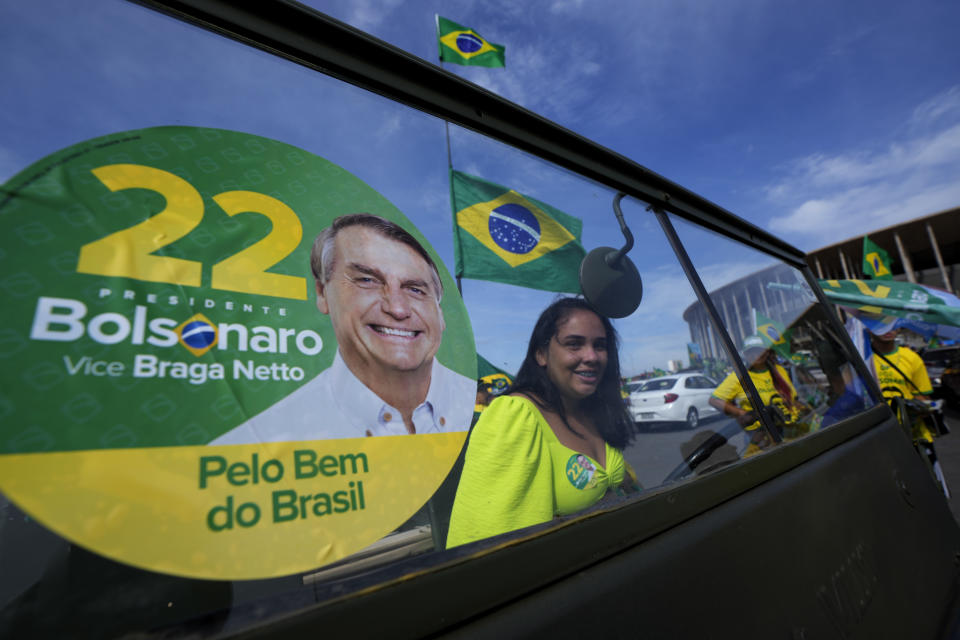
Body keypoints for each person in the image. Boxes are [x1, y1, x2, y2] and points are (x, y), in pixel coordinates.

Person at [211, 214, 474, 444]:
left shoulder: (483, 412)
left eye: (415, 289)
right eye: (368, 280)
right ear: (322, 293)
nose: (397, 308)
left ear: (440, 314)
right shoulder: (256, 442)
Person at [446, 298, 638, 548]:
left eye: (600, 346)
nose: (591, 356)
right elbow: (489, 547)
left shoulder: (592, 411)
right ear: (541, 354)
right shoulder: (514, 415)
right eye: (574, 344)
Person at [708, 335, 806, 453]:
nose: (756, 355)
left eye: (759, 351)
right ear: (745, 354)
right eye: (751, 352)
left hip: (791, 429)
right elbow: (714, 400)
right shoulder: (740, 376)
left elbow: (793, 397)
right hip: (761, 437)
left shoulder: (779, 370)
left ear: (766, 352)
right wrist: (741, 413)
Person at [869, 328, 936, 442]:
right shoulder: (862, 357)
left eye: (893, 323)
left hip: (911, 434)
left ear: (899, 328)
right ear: (869, 328)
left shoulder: (912, 358)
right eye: (882, 324)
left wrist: (923, 408)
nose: (888, 329)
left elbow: (922, 397)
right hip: (876, 433)